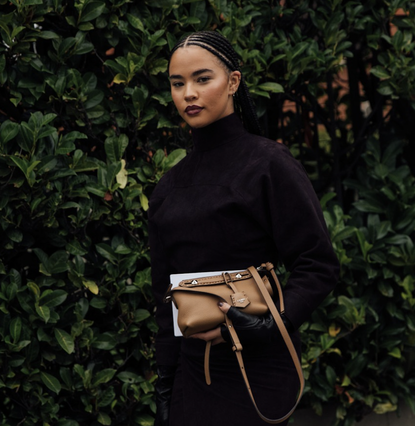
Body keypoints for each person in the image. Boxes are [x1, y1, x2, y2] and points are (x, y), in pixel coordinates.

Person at [148, 30, 340, 426]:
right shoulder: (168, 186)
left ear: (233, 82)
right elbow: (163, 297)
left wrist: (272, 326)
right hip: (192, 379)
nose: (189, 94)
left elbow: (318, 263)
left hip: (258, 370)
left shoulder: (268, 164)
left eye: (203, 79)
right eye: (177, 83)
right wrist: (166, 385)